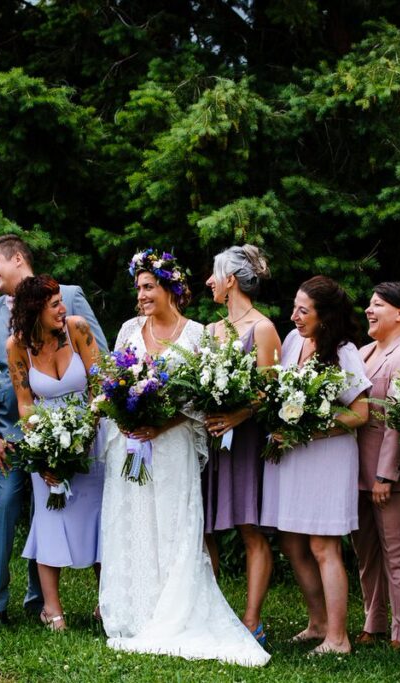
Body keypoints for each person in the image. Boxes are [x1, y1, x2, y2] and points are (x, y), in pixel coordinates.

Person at [99, 249, 270, 667]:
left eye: (148, 287)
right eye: (137, 288)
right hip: (132, 443)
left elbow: (200, 396)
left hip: (172, 443)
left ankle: (172, 609)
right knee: (132, 520)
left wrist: (162, 422)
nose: (140, 295)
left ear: (170, 289)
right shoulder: (127, 330)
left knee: (174, 524)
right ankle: (133, 610)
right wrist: (122, 415)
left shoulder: (198, 334)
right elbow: (112, 381)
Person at [0, 234, 106, 621]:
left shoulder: (72, 307)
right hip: (24, 434)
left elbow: (102, 366)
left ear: (16, 258)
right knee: (18, 509)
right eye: (53, 305)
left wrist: (84, 431)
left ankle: (77, 601)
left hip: (87, 430)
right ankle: (13, 605)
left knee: (92, 512)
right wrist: (2, 437)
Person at [260, 275, 371, 655]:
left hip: (327, 459)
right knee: (292, 541)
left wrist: (313, 426)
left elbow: (360, 413)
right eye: (295, 307)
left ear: (323, 317)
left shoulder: (344, 353)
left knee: (324, 546)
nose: (293, 316)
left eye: (303, 311)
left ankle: (338, 638)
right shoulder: (293, 342)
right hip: (295, 457)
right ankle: (317, 622)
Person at [5, 275, 105, 631]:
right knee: (50, 519)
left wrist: (85, 434)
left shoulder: (77, 329)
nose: (64, 309)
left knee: (98, 519)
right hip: (47, 443)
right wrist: (45, 454)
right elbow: (25, 404)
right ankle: (52, 609)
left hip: (91, 440)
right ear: (35, 310)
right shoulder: (17, 346)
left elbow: (99, 384)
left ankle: (105, 603)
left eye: (61, 301)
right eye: (55, 305)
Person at [200, 245, 281, 645]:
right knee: (205, 528)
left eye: (214, 275)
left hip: (245, 440)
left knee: (249, 529)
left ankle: (252, 621)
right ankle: (211, 613)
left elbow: (270, 390)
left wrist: (237, 415)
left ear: (230, 280)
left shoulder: (263, 328)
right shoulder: (211, 331)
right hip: (211, 439)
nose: (208, 282)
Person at [353, 282, 400, 648]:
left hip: (394, 478)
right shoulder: (364, 352)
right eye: (370, 303)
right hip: (357, 474)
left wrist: (386, 474)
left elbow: (399, 421)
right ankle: (374, 622)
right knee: (366, 553)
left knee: (399, 556)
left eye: (378, 304)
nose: (369, 309)